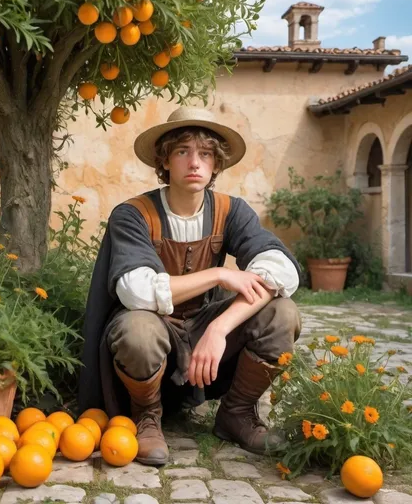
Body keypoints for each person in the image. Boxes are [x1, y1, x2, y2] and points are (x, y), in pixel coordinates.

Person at [78, 106, 301, 466]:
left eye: (206, 153)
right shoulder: (133, 213)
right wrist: (218, 275)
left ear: (216, 163)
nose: (194, 162)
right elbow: (136, 291)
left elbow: (281, 271)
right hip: (154, 331)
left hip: (204, 329)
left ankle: (237, 414)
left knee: (281, 313)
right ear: (164, 160)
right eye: (182, 151)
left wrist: (219, 327)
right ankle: (146, 415)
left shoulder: (231, 210)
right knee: (136, 327)